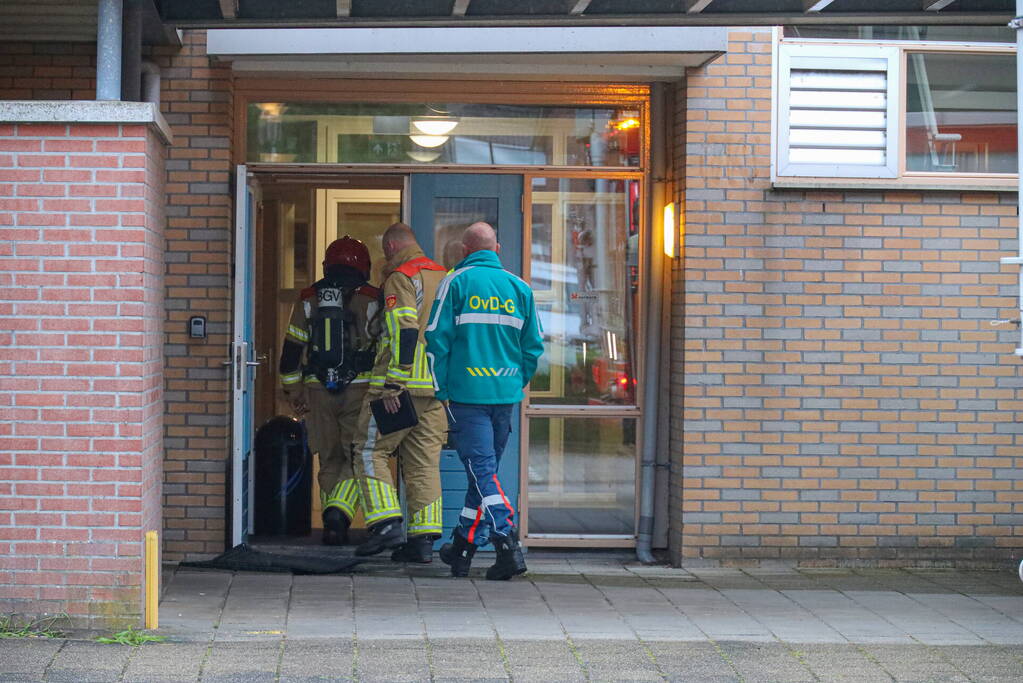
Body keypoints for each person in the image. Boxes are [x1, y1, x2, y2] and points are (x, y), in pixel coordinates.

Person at [425, 221, 544, 580]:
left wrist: (441, 389)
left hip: (466, 396)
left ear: (464, 251)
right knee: (483, 474)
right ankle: (461, 547)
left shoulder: (455, 282)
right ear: (497, 248)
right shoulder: (519, 287)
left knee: (482, 474)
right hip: (504, 397)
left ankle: (507, 542)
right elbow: (533, 347)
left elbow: (435, 340)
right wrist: (514, 382)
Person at [351, 222, 448, 562]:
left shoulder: (401, 277)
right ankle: (422, 543)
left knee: (368, 450)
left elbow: (405, 330)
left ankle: (385, 524)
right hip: (436, 389)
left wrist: (394, 383)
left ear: (391, 247)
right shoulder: (445, 276)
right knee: (423, 463)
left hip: (399, 387)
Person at [279, 236, 381, 545]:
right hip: (361, 389)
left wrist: (293, 392)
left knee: (329, 458)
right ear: (364, 265)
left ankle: (332, 521)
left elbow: (291, 351)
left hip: (318, 390)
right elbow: (385, 345)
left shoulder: (309, 298)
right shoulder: (373, 298)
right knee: (357, 458)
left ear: (327, 264)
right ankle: (339, 513)